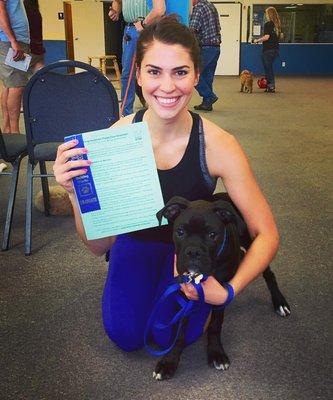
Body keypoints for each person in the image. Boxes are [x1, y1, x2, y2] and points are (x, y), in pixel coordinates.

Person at [53, 16, 279, 352]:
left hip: (191, 252)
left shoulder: (218, 145)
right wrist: (74, 195)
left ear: (197, 75)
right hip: (133, 243)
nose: (168, 87)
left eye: (181, 72)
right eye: (155, 71)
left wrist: (229, 290)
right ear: (139, 73)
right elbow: (99, 246)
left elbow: (267, 234)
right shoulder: (116, 140)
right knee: (125, 336)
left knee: (171, 335)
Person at [108, 0, 165, 116]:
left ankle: (156, 111)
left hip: (151, 27)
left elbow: (160, 10)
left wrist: (144, 23)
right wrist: (115, 10)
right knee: (128, 73)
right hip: (131, 29)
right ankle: (126, 113)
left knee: (155, 70)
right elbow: (117, 1)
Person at [0, 0, 30, 133]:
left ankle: (7, 129)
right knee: (17, 86)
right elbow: (0, 10)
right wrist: (13, 40)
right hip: (13, 41)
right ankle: (14, 132)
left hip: (14, 40)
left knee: (8, 85)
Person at [190, 0, 221, 111]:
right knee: (208, 77)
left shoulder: (198, 8)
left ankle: (209, 96)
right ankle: (207, 104)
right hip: (216, 47)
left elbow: (192, 29)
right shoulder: (211, 6)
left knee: (192, 74)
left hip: (205, 47)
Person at [253, 6, 282, 93]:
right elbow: (281, 36)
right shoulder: (278, 25)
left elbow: (266, 37)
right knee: (268, 68)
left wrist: (256, 40)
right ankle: (269, 85)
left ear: (269, 14)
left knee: (268, 68)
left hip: (268, 50)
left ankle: (271, 86)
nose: (265, 15)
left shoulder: (268, 24)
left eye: (266, 13)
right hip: (275, 50)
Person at [24, 0, 45, 74]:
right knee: (38, 80)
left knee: (19, 82)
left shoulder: (23, 15)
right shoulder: (37, 14)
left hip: (27, 49)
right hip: (39, 49)